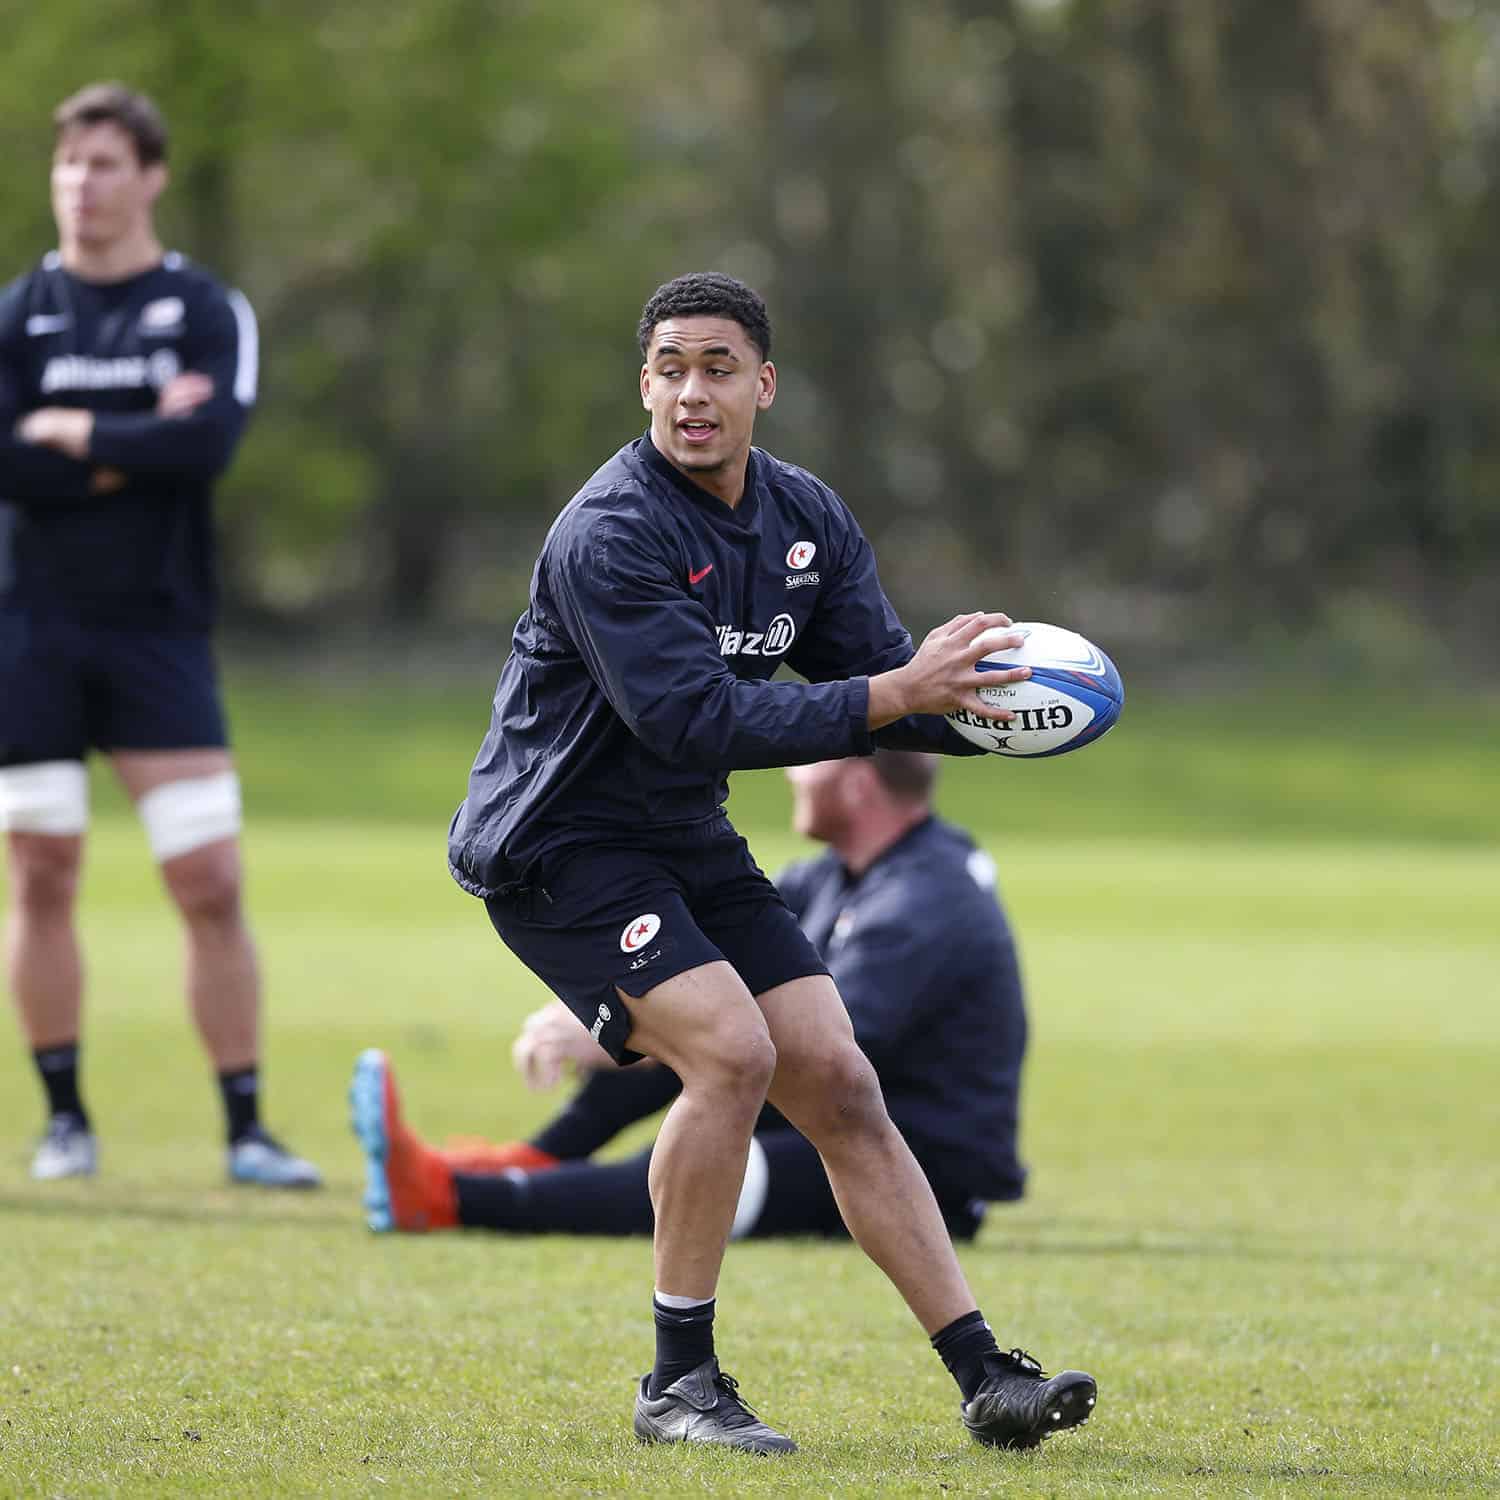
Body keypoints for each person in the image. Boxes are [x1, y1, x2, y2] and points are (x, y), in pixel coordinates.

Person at [352, 272, 1095, 1453]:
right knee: (735, 1053)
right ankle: (677, 1385)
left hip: (682, 840)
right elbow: (691, 722)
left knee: (839, 1081)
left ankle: (984, 1373)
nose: (692, 393)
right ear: (644, 383)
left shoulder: (805, 520)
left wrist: (984, 709)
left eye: (717, 369)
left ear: (765, 384)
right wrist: (892, 694)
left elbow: (876, 687)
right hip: (559, 847)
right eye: (669, 369)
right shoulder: (613, 530)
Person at [0, 83, 319, 1189]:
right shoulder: (17, 312)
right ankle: (65, 1119)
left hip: (158, 639)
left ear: (150, 177)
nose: (81, 186)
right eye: (68, 165)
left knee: (211, 881)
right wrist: (137, 438)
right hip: (29, 632)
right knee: (40, 872)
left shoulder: (201, 308)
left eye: (103, 164)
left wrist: (75, 431)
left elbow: (209, 447)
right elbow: (7, 460)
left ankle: (245, 1129)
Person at [353, 750, 1030, 1245]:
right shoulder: (839, 875)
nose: (793, 769)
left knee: (702, 1158)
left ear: (855, 784)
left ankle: (447, 1195)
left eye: (812, 759)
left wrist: (622, 1040)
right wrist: (604, 1008)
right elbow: (695, 963)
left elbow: (826, 1049)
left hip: (920, 1161)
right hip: (818, 1119)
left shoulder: (923, 899)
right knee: (690, 1034)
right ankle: (531, 1161)